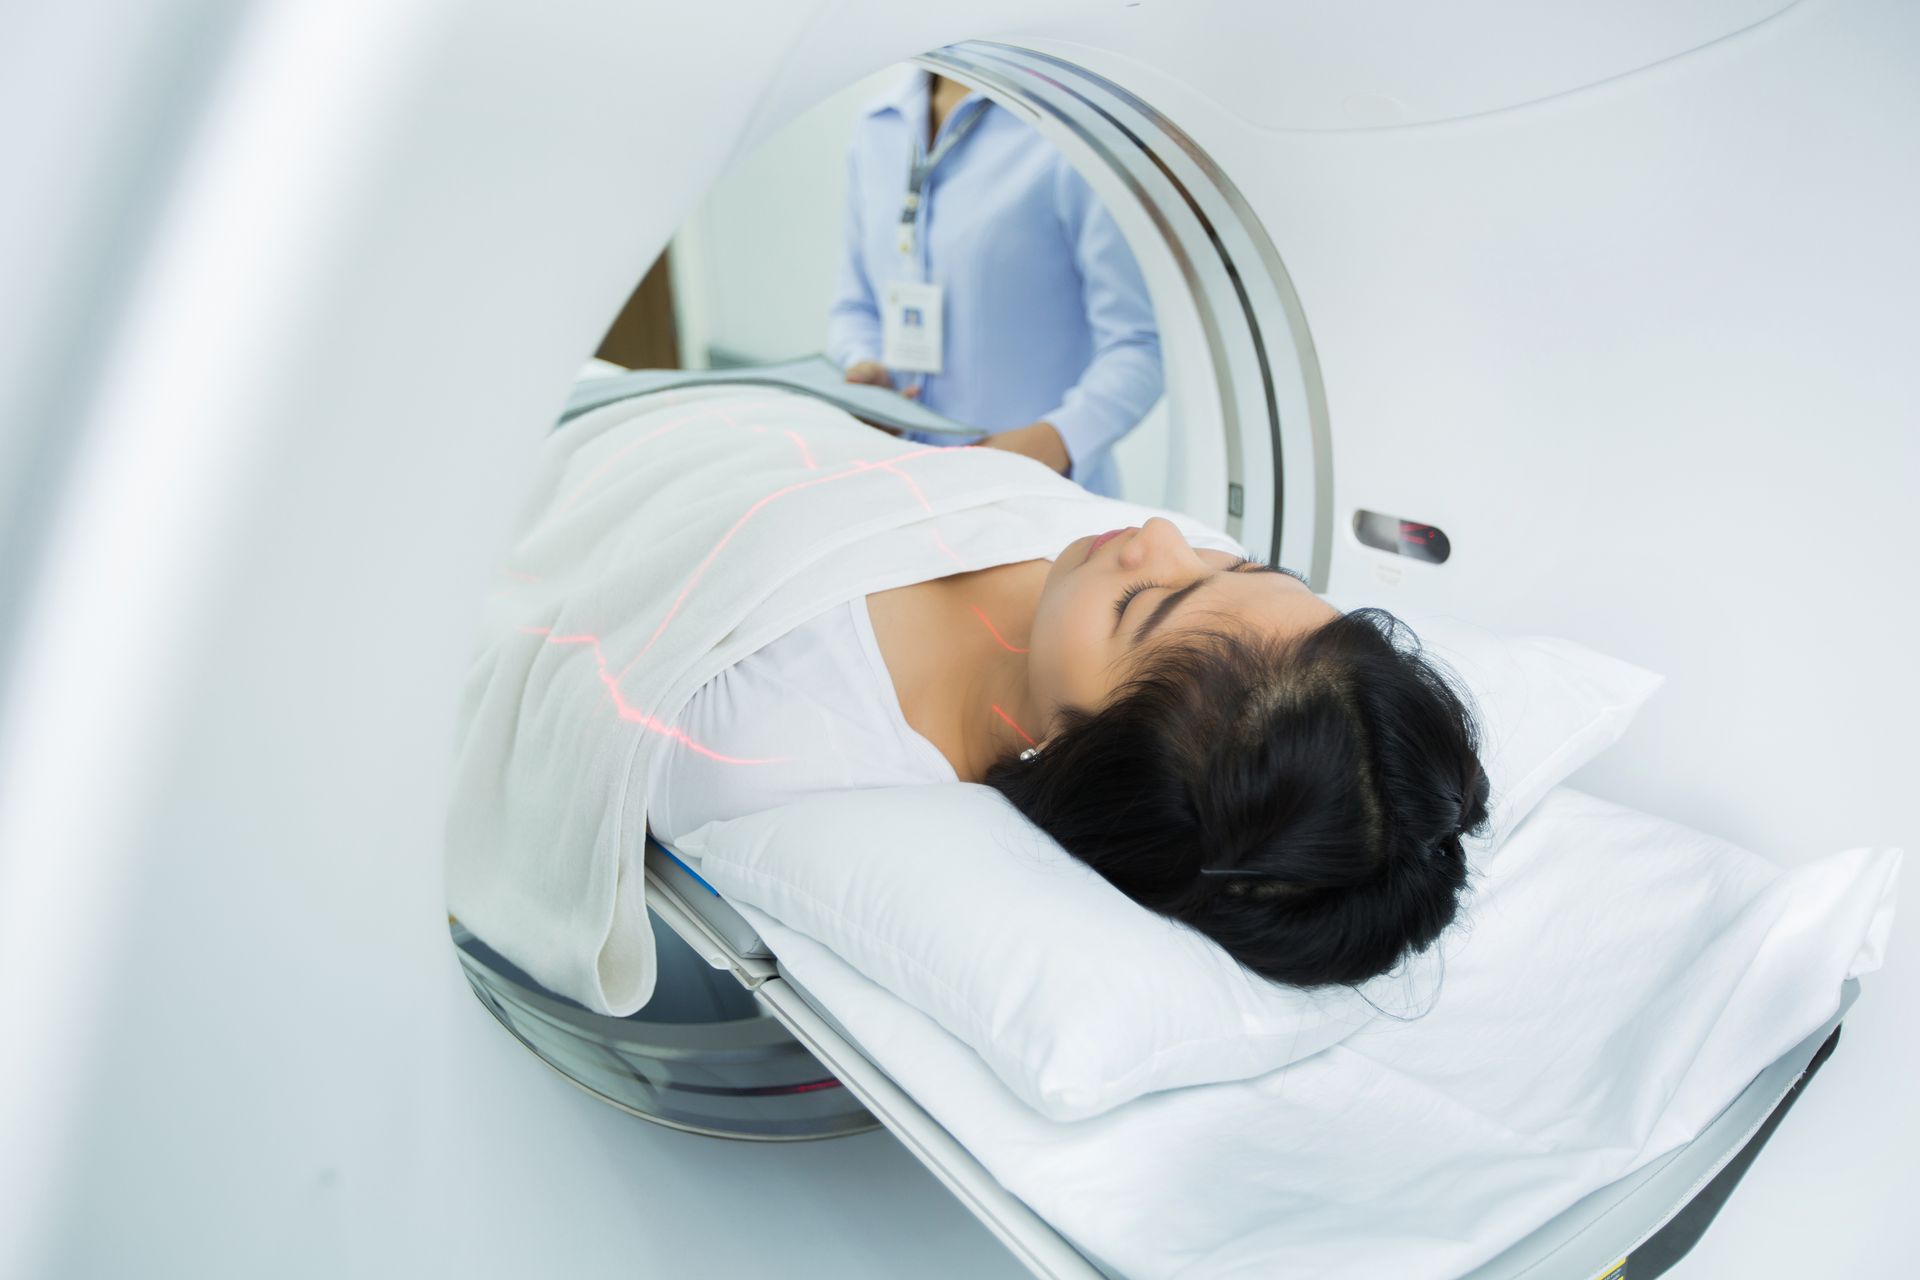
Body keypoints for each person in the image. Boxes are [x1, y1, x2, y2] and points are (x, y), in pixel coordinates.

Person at [649, 515, 1487, 990]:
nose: (1159, 535)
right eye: (1238, 563)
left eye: (1141, 602)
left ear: (1074, 752)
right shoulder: (1132, 566)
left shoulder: (767, 734)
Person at [827, 70, 1163, 499]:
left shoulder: (1069, 132)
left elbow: (1140, 342)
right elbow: (854, 308)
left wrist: (1056, 440)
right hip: (899, 485)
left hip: (1044, 499)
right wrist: (867, 366)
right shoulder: (877, 125)